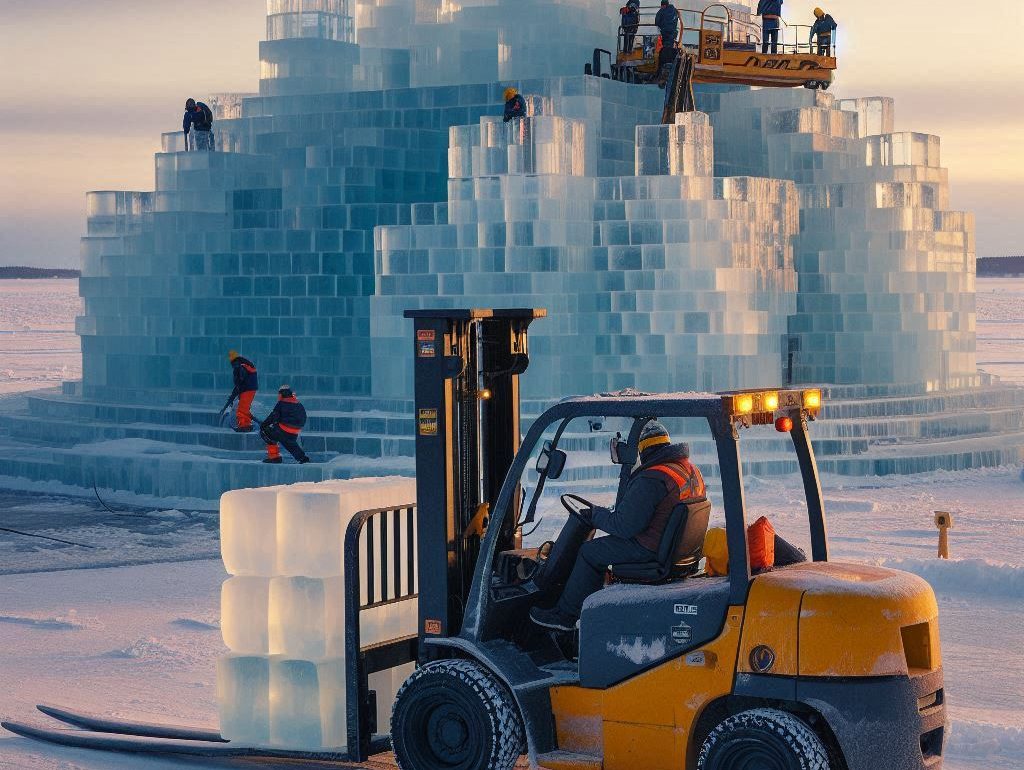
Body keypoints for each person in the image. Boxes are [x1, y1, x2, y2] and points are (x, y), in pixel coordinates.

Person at [530, 422, 706, 631]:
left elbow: (623, 526)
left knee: (590, 552)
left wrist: (596, 515)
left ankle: (567, 615)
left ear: (642, 449)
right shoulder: (687, 470)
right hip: (673, 549)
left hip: (650, 550)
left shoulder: (652, 477)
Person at [260, 385, 310, 464]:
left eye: (279, 393)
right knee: (290, 443)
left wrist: (263, 425)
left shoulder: (281, 403)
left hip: (284, 429)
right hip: (296, 430)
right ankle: (302, 458)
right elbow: (303, 417)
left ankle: (274, 457)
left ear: (282, 394)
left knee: (266, 432)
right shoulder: (298, 403)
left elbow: (273, 416)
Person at [226, 351, 258, 432]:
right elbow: (239, 384)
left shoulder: (239, 366)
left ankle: (244, 427)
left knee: (241, 410)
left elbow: (240, 382)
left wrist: (237, 393)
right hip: (249, 389)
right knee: (244, 409)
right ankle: (248, 425)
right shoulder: (243, 364)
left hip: (247, 389)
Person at [654, 0, 680, 75]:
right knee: (671, 45)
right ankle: (671, 65)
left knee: (665, 47)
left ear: (663, 5)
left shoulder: (661, 11)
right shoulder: (675, 11)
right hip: (673, 33)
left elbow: (657, 22)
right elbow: (678, 22)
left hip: (665, 32)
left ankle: (663, 67)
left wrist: (662, 25)